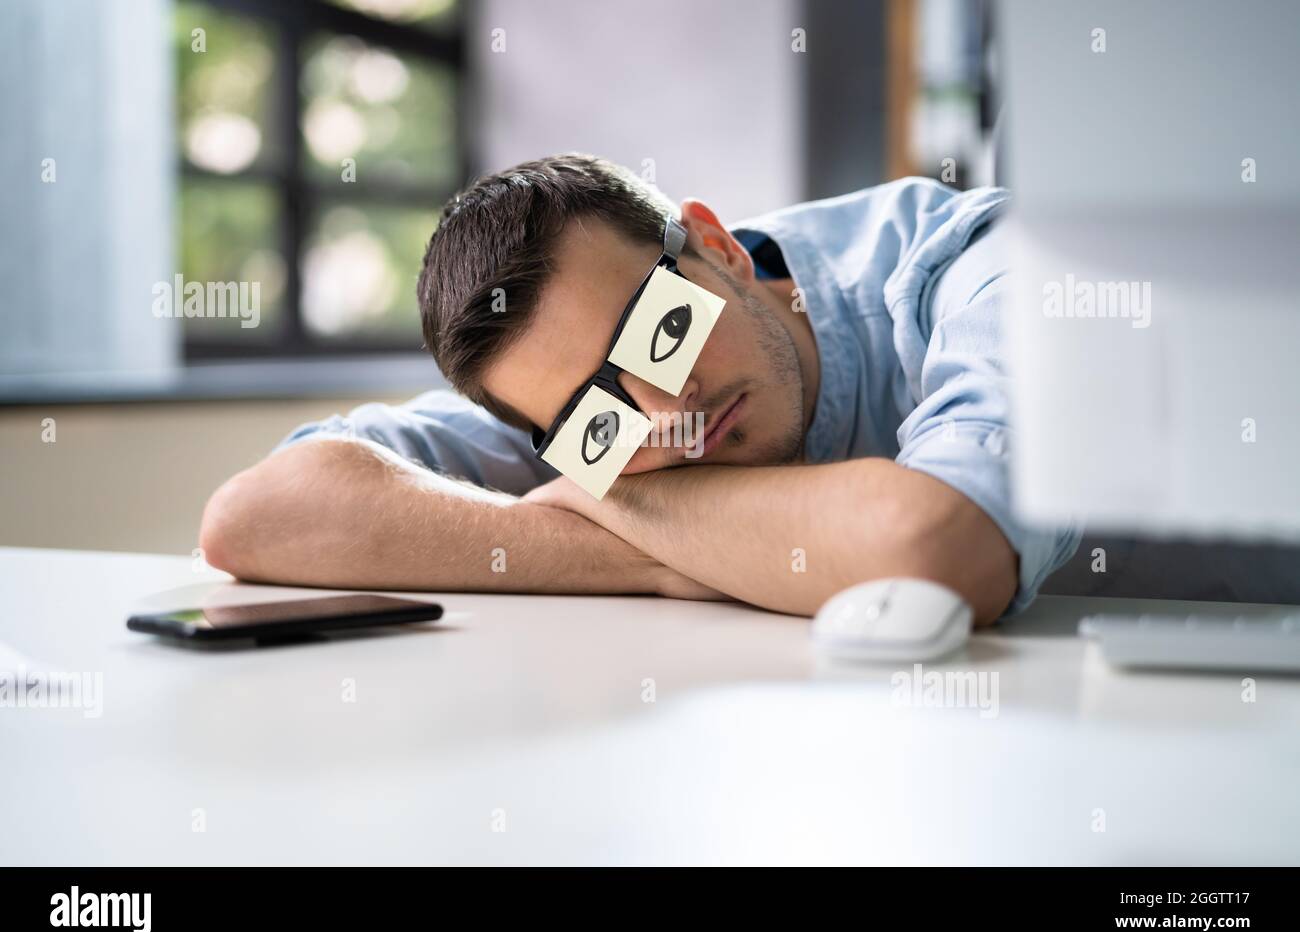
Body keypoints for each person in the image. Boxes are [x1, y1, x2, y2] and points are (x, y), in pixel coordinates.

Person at [199, 154, 1080, 624]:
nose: (667, 414)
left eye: (659, 332)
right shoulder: (585, 418)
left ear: (718, 247)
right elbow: (256, 515)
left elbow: (936, 550)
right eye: (601, 413)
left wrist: (608, 501)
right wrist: (651, 556)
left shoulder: (988, 267)